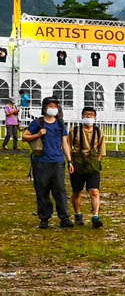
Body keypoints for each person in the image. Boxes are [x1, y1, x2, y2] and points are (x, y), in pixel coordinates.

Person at [24, 97, 74, 229]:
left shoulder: (60, 124)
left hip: (57, 161)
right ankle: (44, 218)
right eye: (51, 106)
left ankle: (64, 218)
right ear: (45, 108)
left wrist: (69, 161)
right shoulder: (38, 123)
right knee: (42, 190)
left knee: (60, 190)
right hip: (41, 162)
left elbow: (64, 143)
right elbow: (25, 136)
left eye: (55, 106)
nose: (53, 109)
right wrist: (38, 135)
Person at [68, 106, 107, 228]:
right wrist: (70, 162)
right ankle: (78, 214)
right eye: (86, 114)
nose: (88, 117)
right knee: (77, 192)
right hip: (77, 164)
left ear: (95, 117)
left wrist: (96, 160)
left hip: (92, 165)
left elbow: (102, 150)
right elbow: (68, 146)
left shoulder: (99, 132)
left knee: (94, 191)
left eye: (91, 115)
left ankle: (95, 216)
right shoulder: (74, 131)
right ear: (82, 116)